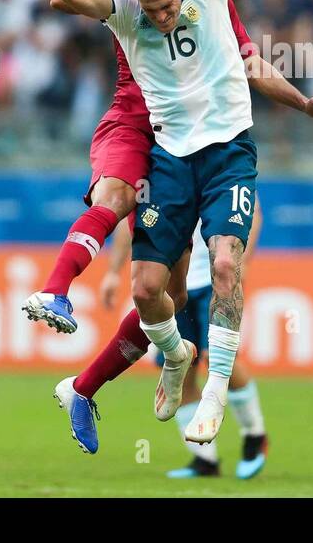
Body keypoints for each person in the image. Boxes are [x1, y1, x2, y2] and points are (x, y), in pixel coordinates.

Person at [34, 0, 313, 454]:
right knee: (146, 274)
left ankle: (175, 384)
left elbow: (248, 60)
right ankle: (84, 319)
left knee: (195, 279)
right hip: (148, 132)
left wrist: (302, 103)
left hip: (217, 149)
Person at [101, 201, 270, 480]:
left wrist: (245, 261)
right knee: (180, 365)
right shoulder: (150, 170)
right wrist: (112, 271)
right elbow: (127, 223)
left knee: (216, 357)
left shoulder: (214, 163)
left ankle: (254, 436)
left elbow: (253, 211)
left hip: (214, 280)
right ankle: (205, 460)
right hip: (170, 282)